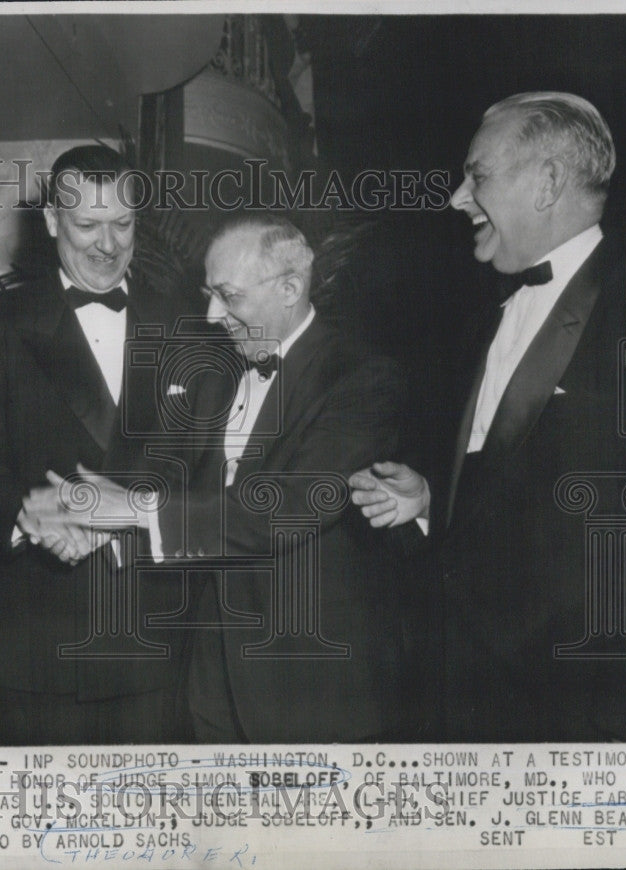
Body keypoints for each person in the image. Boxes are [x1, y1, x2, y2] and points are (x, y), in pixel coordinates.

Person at [350, 92, 626, 741]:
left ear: (547, 183)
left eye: (477, 176)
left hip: (579, 721)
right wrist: (429, 499)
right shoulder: (482, 323)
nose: (456, 198)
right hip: (462, 704)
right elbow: (508, 488)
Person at [54, 214, 416, 743]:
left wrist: (132, 511)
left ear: (290, 288)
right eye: (208, 294)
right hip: (208, 669)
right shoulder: (214, 373)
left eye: (229, 296)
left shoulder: (360, 376)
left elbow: (290, 506)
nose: (212, 314)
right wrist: (87, 520)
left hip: (309, 677)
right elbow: (168, 475)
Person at [0, 145, 193, 744]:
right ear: (51, 221)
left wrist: (128, 511)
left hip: (157, 641)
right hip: (36, 646)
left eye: (123, 224)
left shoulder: (186, 325)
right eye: (87, 225)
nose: (108, 244)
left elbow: (206, 460)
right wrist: (29, 514)